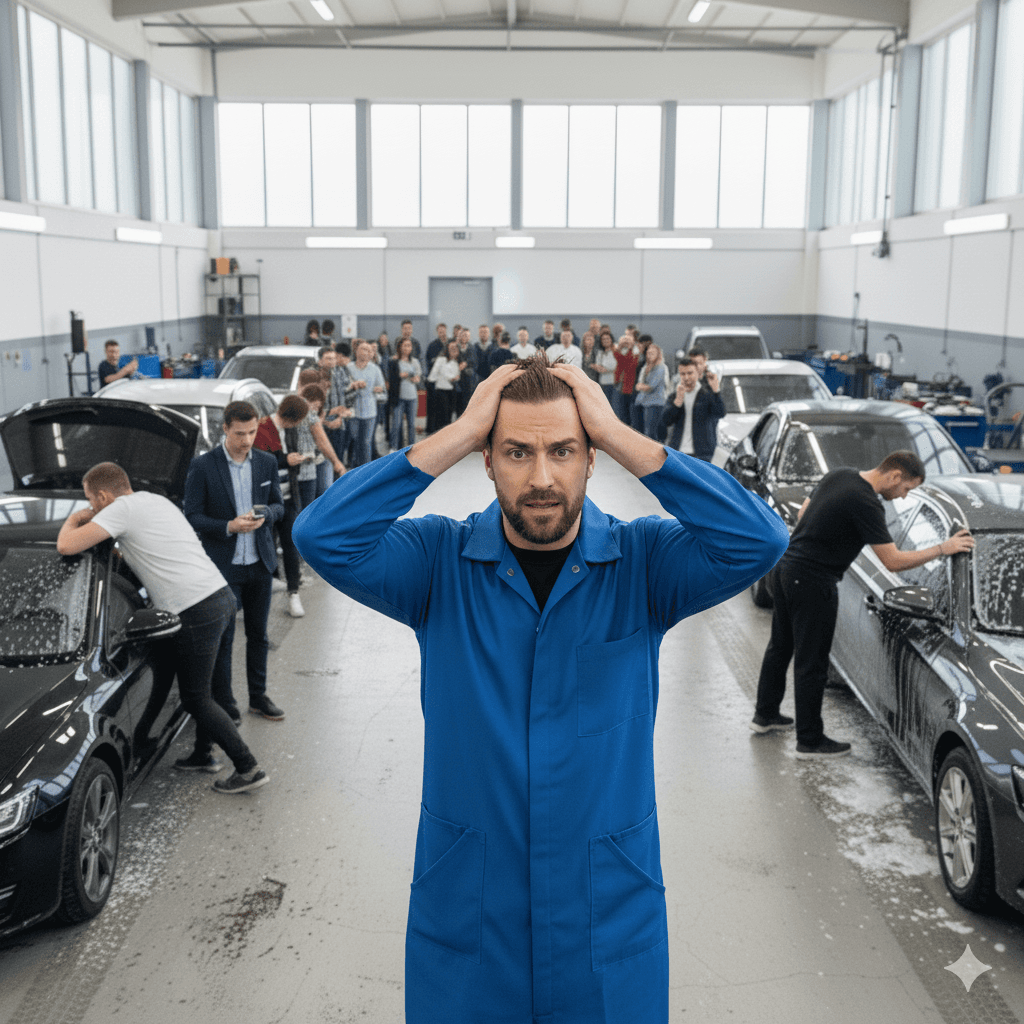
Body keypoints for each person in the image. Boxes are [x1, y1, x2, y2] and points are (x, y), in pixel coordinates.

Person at [292, 353, 788, 1024]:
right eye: (516, 453)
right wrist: (460, 433)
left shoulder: (642, 565)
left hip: (604, 911)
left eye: (564, 450)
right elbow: (323, 535)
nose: (543, 477)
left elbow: (757, 539)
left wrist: (617, 432)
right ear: (488, 462)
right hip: (471, 909)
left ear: (590, 459)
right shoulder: (439, 565)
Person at [56, 463, 269, 793]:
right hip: (219, 597)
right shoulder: (154, 501)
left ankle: (248, 768)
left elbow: (67, 546)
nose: (91, 508)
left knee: (197, 698)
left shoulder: (120, 510)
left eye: (90, 501)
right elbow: (148, 550)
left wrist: (74, 520)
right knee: (206, 687)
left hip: (196, 609)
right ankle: (202, 754)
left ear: (102, 495)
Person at [752, 451, 975, 757]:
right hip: (814, 583)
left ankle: (765, 715)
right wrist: (943, 548)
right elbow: (893, 561)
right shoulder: (867, 503)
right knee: (812, 662)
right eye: (906, 489)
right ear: (895, 476)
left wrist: (827, 537)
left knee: (780, 646)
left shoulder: (841, 473)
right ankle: (809, 740)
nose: (901, 497)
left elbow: (804, 513)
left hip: (786, 568)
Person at [183, 400, 288, 722]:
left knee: (259, 635)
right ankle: (227, 706)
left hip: (259, 564)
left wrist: (267, 514)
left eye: (252, 432)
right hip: (224, 567)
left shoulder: (267, 462)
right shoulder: (203, 466)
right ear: (225, 429)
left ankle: (258, 697)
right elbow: (192, 516)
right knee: (225, 641)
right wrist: (228, 526)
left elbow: (279, 506)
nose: (246, 440)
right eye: (240, 433)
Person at [658, 357, 724, 461]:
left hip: (702, 454)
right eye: (683, 374)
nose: (686, 377)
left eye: (690, 373)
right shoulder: (675, 395)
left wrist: (716, 390)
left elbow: (720, 413)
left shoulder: (707, 395)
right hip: (678, 452)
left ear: (698, 374)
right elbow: (665, 421)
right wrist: (677, 402)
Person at [347, 340, 387, 467]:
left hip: (370, 410)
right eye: (363, 349)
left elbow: (383, 391)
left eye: (369, 350)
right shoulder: (348, 368)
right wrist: (353, 386)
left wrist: (379, 389)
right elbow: (342, 387)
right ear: (356, 351)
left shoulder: (375, 369)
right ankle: (354, 467)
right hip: (352, 410)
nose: (367, 352)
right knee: (355, 440)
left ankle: (366, 470)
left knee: (366, 442)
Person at [389, 336, 422, 450]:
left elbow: (418, 377)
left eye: (409, 345)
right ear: (400, 347)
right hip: (398, 397)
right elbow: (392, 378)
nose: (408, 348)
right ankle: (393, 448)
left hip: (412, 397)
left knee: (411, 425)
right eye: (405, 345)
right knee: (396, 425)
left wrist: (415, 378)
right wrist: (402, 375)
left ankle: (411, 448)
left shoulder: (415, 361)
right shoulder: (394, 361)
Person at [427, 338, 464, 429]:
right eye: (451, 347)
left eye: (455, 347)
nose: (453, 349)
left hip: (451, 391)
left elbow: (457, 375)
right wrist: (452, 377)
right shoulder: (441, 360)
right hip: (440, 391)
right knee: (441, 418)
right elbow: (439, 374)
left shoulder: (456, 362)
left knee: (449, 417)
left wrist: (455, 377)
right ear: (447, 348)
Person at [634, 343, 668, 439]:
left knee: (650, 432)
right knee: (644, 430)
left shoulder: (661, 368)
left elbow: (650, 386)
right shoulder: (646, 367)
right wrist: (641, 386)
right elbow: (639, 384)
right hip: (644, 402)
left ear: (658, 354)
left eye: (652, 353)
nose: (649, 356)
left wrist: (641, 386)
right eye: (648, 353)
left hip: (655, 403)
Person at [425, 324, 447, 434]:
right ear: (437, 332)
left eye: (443, 331)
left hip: (445, 381)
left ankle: (442, 430)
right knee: (432, 405)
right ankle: (430, 430)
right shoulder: (432, 345)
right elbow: (428, 361)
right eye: (440, 331)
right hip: (434, 380)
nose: (442, 333)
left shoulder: (449, 345)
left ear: (446, 331)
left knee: (443, 407)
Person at [612, 334, 639, 424]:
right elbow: (618, 358)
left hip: (630, 387)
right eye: (624, 341)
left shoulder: (635, 351)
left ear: (633, 342)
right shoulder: (622, 351)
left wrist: (629, 348)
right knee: (621, 411)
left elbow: (628, 363)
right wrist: (620, 347)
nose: (626, 343)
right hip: (621, 385)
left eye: (628, 341)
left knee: (628, 414)